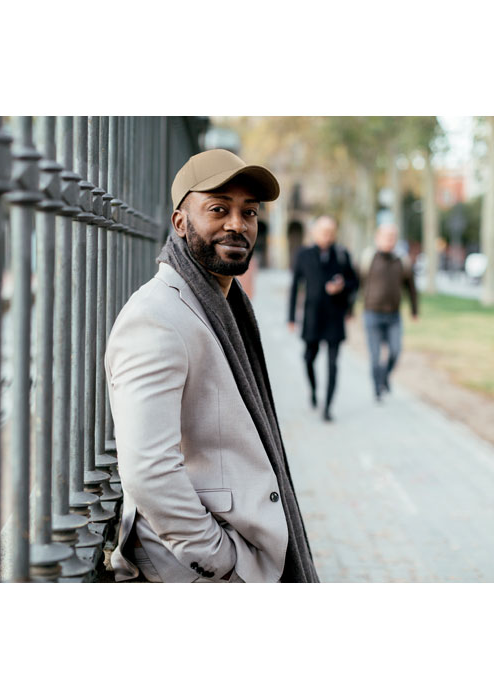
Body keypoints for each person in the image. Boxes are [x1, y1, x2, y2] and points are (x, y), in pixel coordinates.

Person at [105, 148, 319, 583]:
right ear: (180, 222)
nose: (237, 224)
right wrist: (219, 561)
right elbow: (148, 470)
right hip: (196, 570)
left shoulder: (224, 307)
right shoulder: (156, 316)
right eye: (218, 209)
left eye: (249, 212)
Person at [288, 216, 359, 422]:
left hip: (335, 317)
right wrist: (291, 317)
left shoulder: (342, 254)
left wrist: (342, 286)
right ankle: (313, 390)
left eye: (330, 232)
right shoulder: (303, 255)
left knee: (333, 364)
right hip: (312, 317)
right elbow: (295, 286)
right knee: (308, 358)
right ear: (314, 232)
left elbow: (354, 282)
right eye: (323, 231)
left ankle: (327, 407)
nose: (327, 236)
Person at [359, 222, 418, 401]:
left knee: (395, 351)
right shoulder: (368, 259)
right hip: (372, 313)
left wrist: (414, 310)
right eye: (386, 236)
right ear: (377, 238)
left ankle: (384, 376)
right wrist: (349, 309)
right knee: (375, 355)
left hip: (393, 315)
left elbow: (411, 287)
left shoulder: (402, 260)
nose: (389, 240)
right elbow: (357, 283)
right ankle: (377, 388)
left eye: (392, 237)